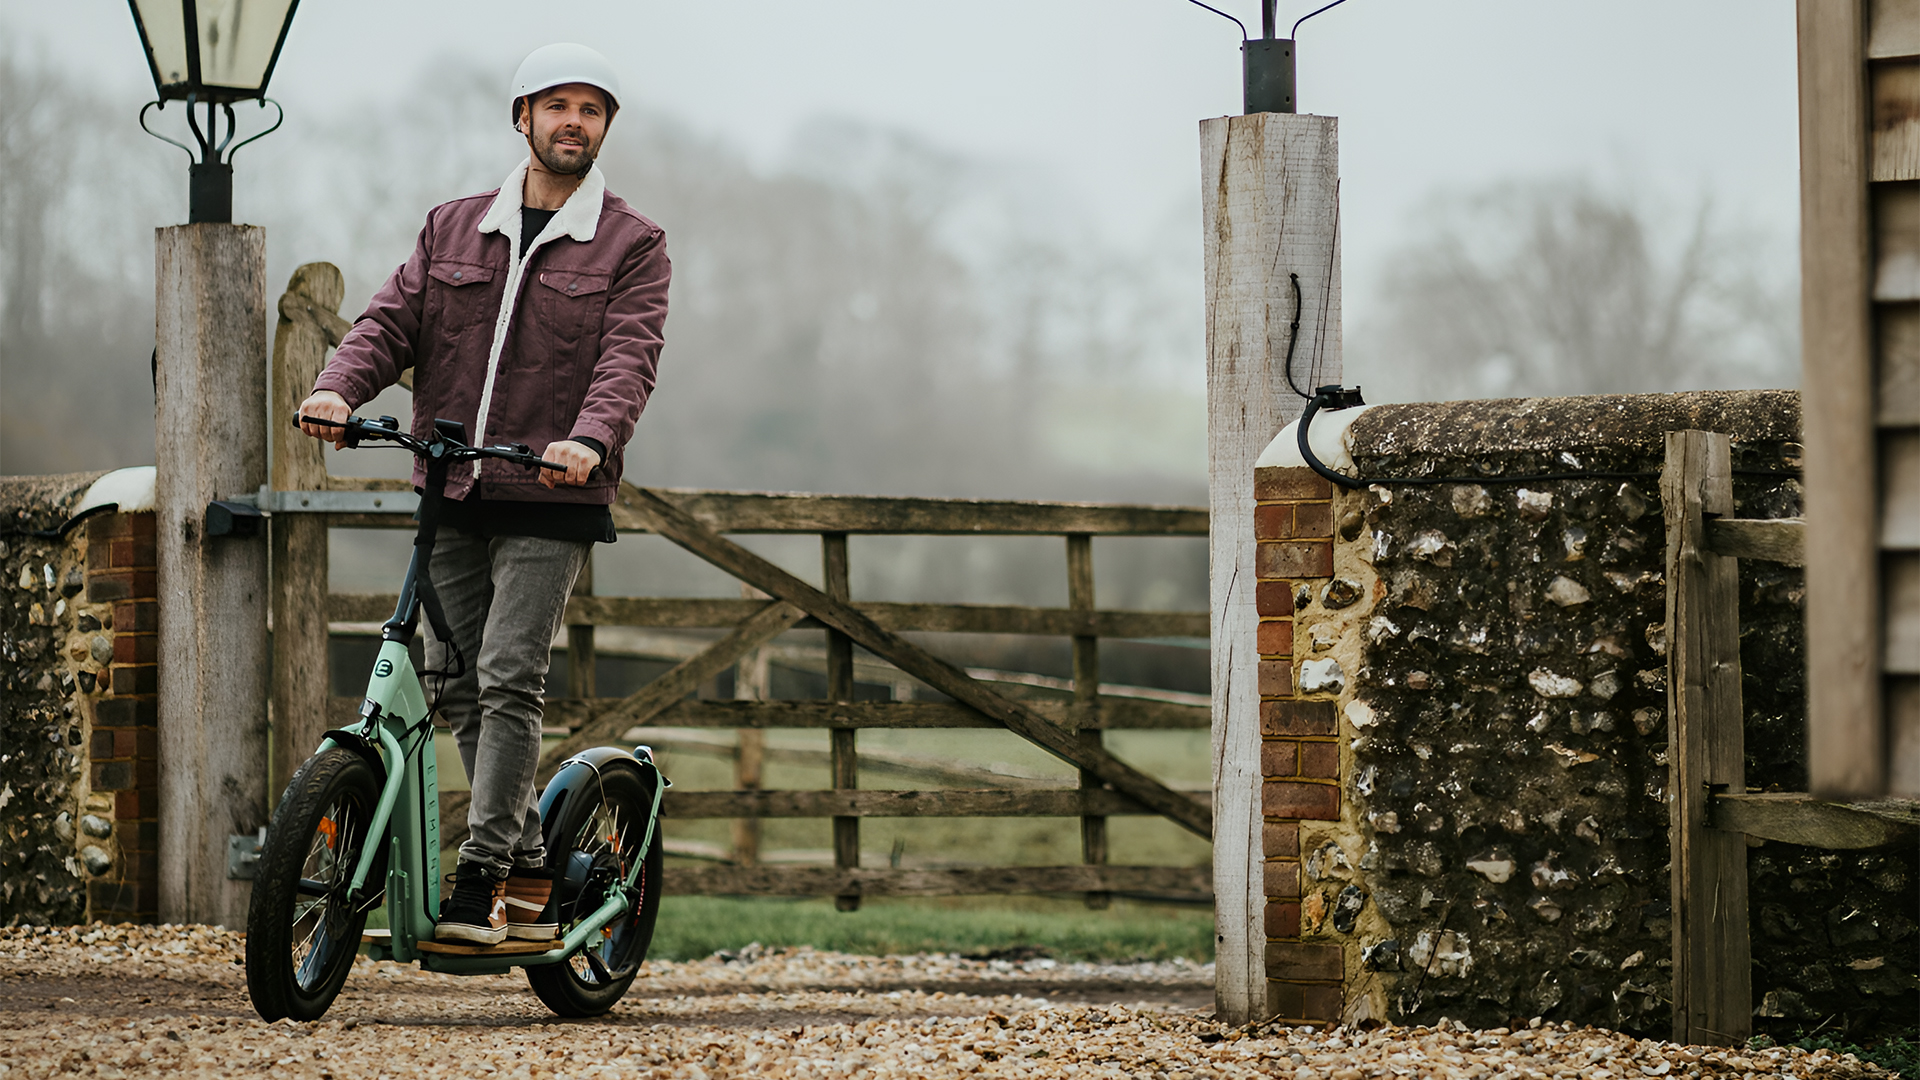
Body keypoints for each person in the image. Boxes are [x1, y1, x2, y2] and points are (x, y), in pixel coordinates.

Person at [297, 43, 670, 945]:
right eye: (557, 105)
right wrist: (339, 387)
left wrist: (590, 439)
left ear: (606, 127)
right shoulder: (454, 227)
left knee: (507, 677)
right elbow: (390, 322)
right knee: (452, 683)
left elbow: (629, 358)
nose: (574, 122)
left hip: (550, 494)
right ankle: (533, 861)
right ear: (522, 117)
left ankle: (483, 878)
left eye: (591, 109)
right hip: (452, 485)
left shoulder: (633, 243)